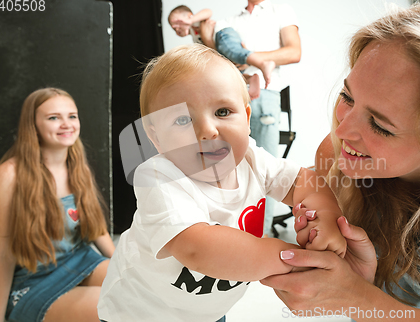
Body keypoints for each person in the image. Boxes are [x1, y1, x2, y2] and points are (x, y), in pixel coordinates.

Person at [261, 1, 420, 320]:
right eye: (347, 98)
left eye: (381, 125)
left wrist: (355, 296)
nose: (342, 131)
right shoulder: (335, 154)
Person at [97, 44, 345, 322]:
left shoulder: (252, 158)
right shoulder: (158, 177)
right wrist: (291, 257)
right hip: (141, 313)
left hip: (209, 312)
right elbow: (198, 248)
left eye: (223, 112)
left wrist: (325, 217)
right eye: (183, 119)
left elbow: (302, 181)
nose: (207, 130)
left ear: (247, 119)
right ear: (155, 137)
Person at [0, 88, 115, 322]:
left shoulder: (79, 167)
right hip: (35, 280)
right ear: (33, 124)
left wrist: (123, 264)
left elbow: (98, 229)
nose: (66, 124)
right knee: (110, 306)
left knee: (139, 286)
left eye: (72, 116)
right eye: (53, 117)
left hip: (80, 259)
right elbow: (2, 255)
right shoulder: (9, 175)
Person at [201, 0, 302, 237]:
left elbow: (294, 51)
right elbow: (220, 58)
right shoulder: (231, 21)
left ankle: (261, 238)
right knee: (227, 167)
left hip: (265, 95)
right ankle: (232, 234)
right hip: (232, 94)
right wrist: (209, 41)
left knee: (265, 170)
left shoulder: (281, 10)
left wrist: (252, 58)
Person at [167, 5, 276, 101]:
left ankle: (263, 63)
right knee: (232, 71)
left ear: (189, 16)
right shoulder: (195, 37)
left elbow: (208, 11)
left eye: (177, 22)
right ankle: (250, 79)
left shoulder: (196, 22)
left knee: (233, 51)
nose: (175, 28)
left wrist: (191, 21)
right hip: (220, 45)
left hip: (223, 34)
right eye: (173, 28)